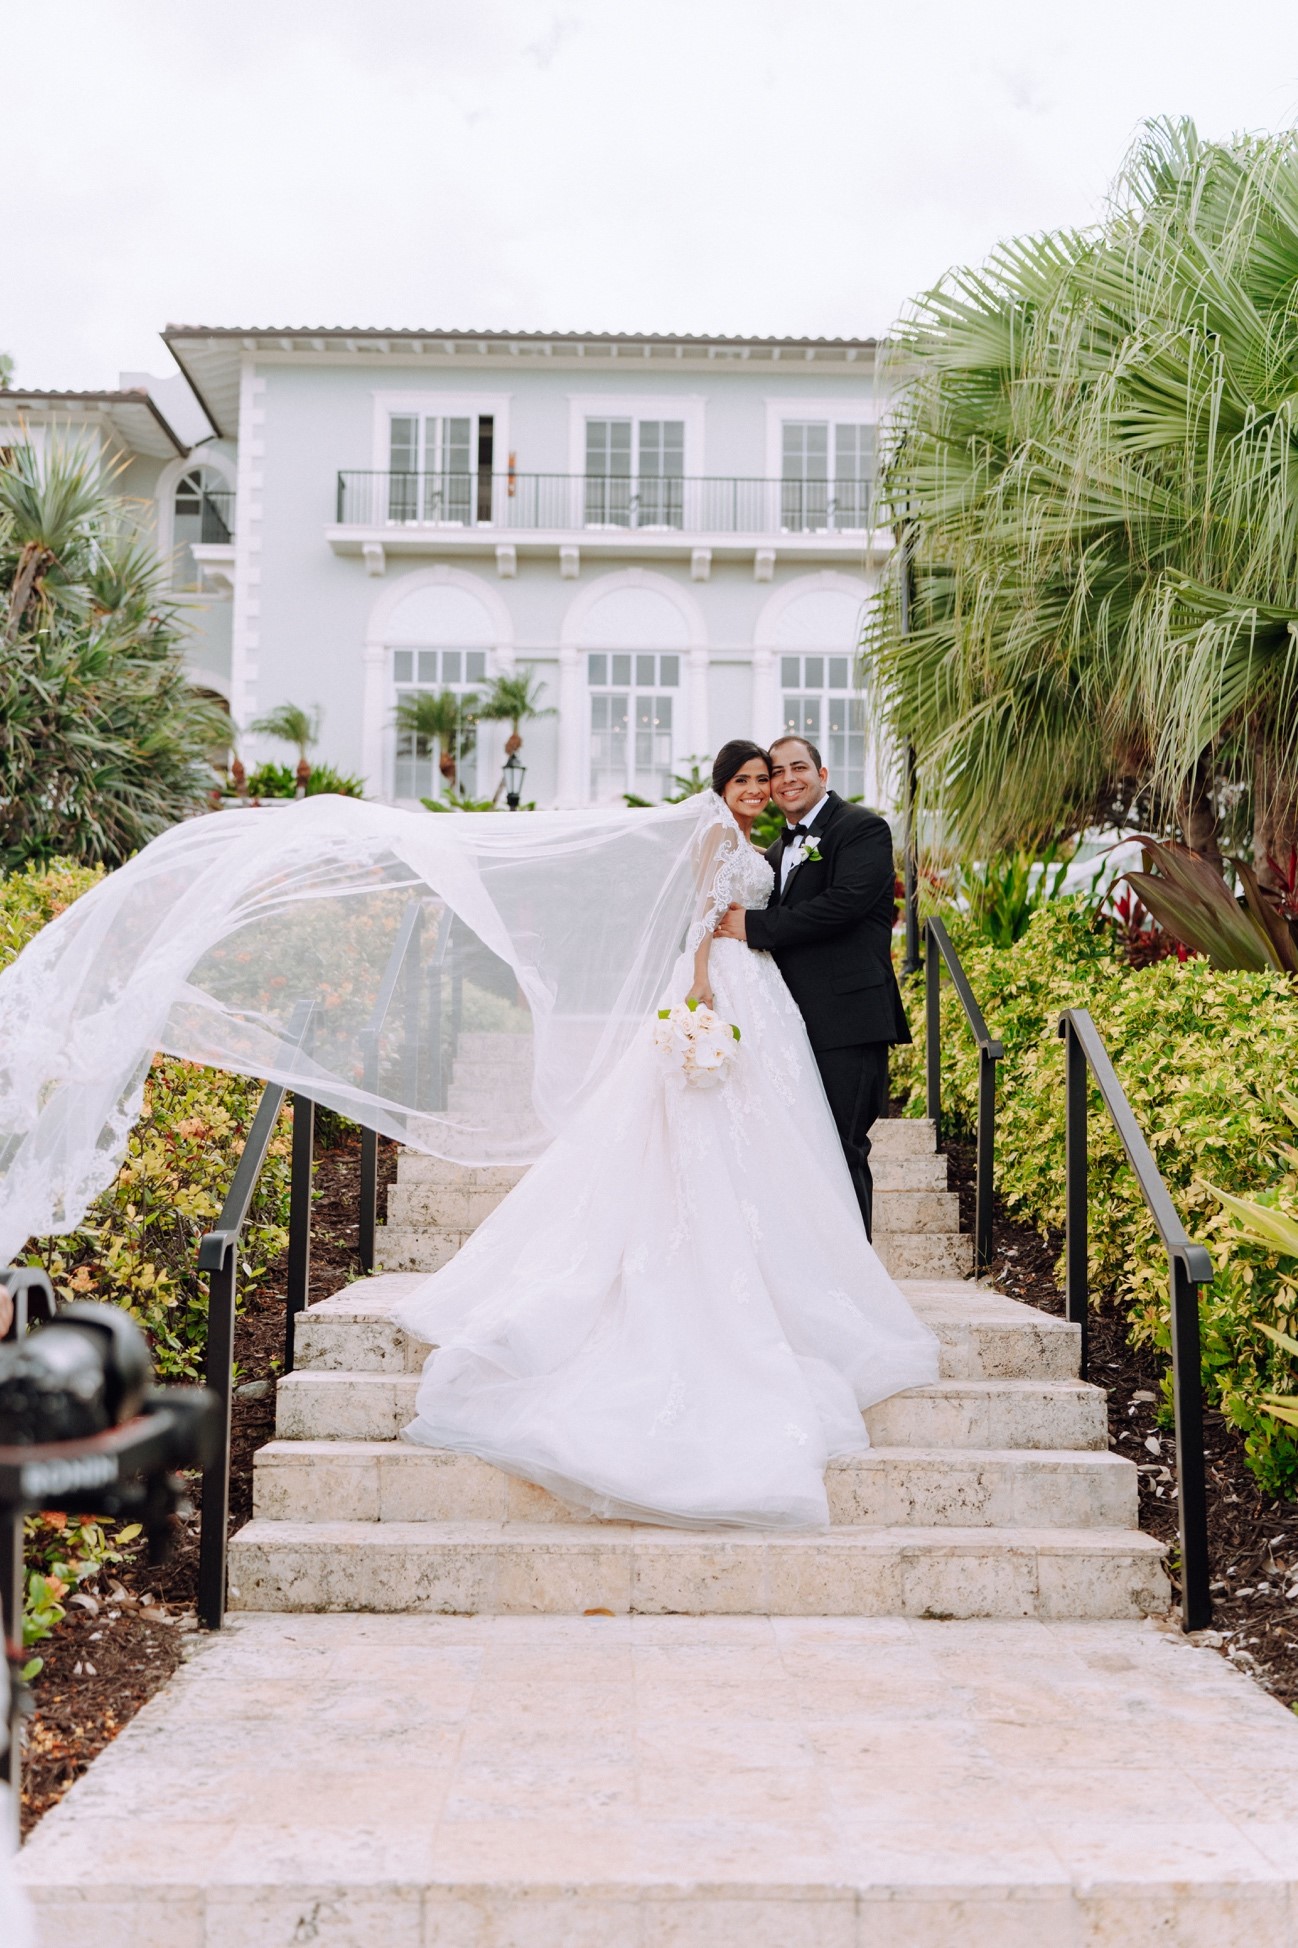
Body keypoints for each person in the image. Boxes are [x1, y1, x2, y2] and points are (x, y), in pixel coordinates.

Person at [394, 739, 938, 1530]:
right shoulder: (725, 837)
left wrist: (744, 938)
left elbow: (843, 906)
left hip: (793, 1004)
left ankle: (832, 1278)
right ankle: (811, 1285)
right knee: (750, 1145)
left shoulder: (840, 832)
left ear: (818, 776)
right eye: (752, 777)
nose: (767, 786)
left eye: (779, 774)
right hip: (732, 987)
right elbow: (699, 923)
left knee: (819, 1150)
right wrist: (700, 992)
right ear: (724, 788)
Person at [716, 734, 908, 1239]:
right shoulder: (776, 849)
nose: (785, 779)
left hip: (848, 1019)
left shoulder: (862, 828)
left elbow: (845, 903)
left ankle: (858, 1284)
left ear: (823, 775)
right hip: (787, 1023)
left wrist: (754, 926)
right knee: (801, 1152)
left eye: (796, 767)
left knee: (842, 1148)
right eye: (775, 772)